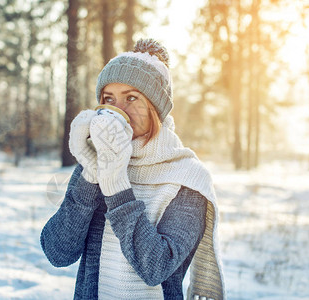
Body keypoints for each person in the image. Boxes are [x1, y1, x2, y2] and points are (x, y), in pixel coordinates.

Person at [40, 38, 225, 300]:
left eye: (131, 97)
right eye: (109, 98)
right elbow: (58, 252)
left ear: (155, 108)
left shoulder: (187, 178)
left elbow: (155, 268)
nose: (117, 110)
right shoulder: (97, 161)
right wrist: (91, 175)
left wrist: (116, 185)